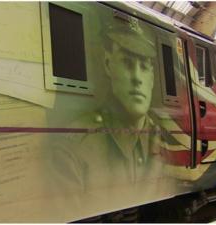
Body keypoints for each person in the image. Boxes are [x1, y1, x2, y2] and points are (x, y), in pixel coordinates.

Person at [45, 17, 175, 219]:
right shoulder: (73, 148)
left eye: (145, 66)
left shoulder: (163, 141)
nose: (137, 78)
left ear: (152, 78)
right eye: (127, 63)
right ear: (108, 65)